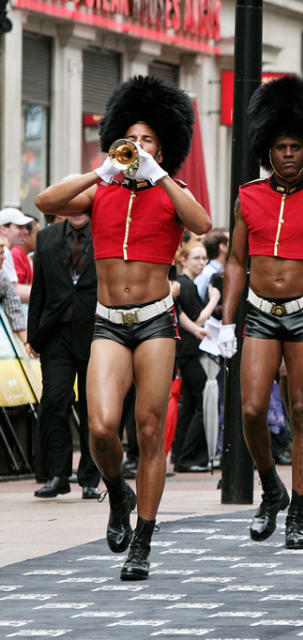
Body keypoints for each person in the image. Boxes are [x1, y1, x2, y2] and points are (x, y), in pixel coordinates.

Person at [34, 75, 211, 580]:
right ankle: (117, 495)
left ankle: (144, 541)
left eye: (148, 139)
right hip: (108, 323)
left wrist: (160, 176)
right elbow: (48, 200)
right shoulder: (102, 191)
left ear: (164, 147)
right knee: (101, 428)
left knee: (150, 433)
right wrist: (99, 171)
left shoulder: (171, 190)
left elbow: (201, 223)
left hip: (155, 322)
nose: (138, 145)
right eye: (130, 138)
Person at [218, 75, 303, 549]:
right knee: (250, 411)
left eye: (295, 146)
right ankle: (272, 489)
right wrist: (227, 320)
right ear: (269, 148)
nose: (287, 153)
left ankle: (299, 513)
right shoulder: (249, 195)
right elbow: (236, 261)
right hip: (261, 312)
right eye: (280, 146)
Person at [27, 213, 100, 499]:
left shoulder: (107, 231)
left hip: (95, 332)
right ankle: (57, 474)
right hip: (55, 333)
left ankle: (91, 478)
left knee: (93, 406)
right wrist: (34, 334)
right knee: (55, 399)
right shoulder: (46, 236)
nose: (77, 209)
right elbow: (39, 288)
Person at [170, 240, 220, 472]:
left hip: (187, 349)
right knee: (201, 399)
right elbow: (198, 318)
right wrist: (214, 300)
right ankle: (188, 456)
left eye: (204, 259)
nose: (202, 263)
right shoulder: (185, 285)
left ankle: (182, 455)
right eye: (196, 259)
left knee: (190, 402)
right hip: (188, 350)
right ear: (183, 260)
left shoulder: (185, 284)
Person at [0, 207, 34, 301]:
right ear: (3, 229)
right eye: (19, 227)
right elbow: (12, 291)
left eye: (25, 227)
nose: (26, 231)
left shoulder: (7, 251)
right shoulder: (5, 252)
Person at [194, 228, 227, 302]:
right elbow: (198, 300)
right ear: (222, 246)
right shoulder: (206, 273)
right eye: (229, 241)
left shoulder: (225, 270)